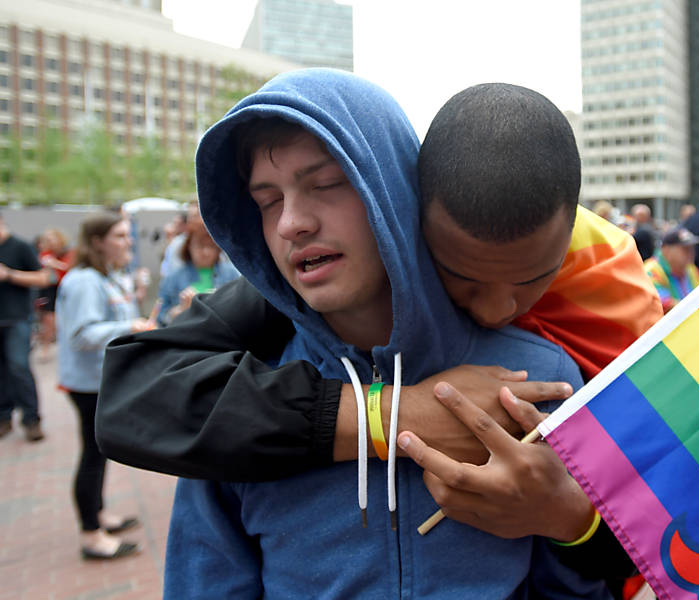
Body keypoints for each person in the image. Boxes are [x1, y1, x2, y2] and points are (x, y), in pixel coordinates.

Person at [157, 70, 630, 599]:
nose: (291, 222)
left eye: (326, 183)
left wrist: (565, 515)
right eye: (267, 200)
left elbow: (576, 587)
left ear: (394, 189)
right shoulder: (233, 405)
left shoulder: (544, 378)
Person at [56, 213, 152, 560]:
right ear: (98, 241)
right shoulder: (84, 281)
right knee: (93, 456)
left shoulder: (107, 276)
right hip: (88, 384)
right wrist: (132, 327)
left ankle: (97, 515)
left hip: (102, 380)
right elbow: (81, 335)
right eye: (120, 236)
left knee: (99, 452)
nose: (128, 242)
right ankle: (91, 535)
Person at [0, 213, 52, 442]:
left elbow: (43, 278)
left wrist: (9, 274)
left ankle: (31, 419)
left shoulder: (20, 246)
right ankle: (4, 417)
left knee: (18, 367)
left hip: (17, 318)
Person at [155, 220, 239, 326]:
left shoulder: (232, 274)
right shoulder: (172, 278)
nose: (206, 252)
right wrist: (180, 310)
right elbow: (160, 317)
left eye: (211, 246)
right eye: (200, 246)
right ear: (189, 246)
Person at [643, 227, 699, 313]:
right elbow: (662, 304)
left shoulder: (691, 269)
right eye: (685, 249)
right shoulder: (651, 271)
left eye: (692, 248)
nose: (691, 253)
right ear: (666, 250)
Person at [35, 228, 74, 359]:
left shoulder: (69, 252)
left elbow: (69, 267)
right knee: (48, 319)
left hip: (66, 288)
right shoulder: (46, 254)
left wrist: (55, 264)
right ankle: (46, 348)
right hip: (51, 289)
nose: (50, 242)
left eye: (52, 239)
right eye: (48, 240)